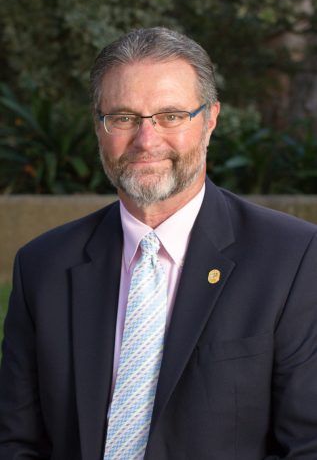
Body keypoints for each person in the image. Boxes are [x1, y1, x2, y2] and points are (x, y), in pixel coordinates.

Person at [1, 27, 317, 460]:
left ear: (210, 120)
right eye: (124, 117)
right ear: (98, 126)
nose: (146, 141)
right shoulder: (42, 265)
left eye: (171, 115)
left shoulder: (293, 258)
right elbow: (16, 442)